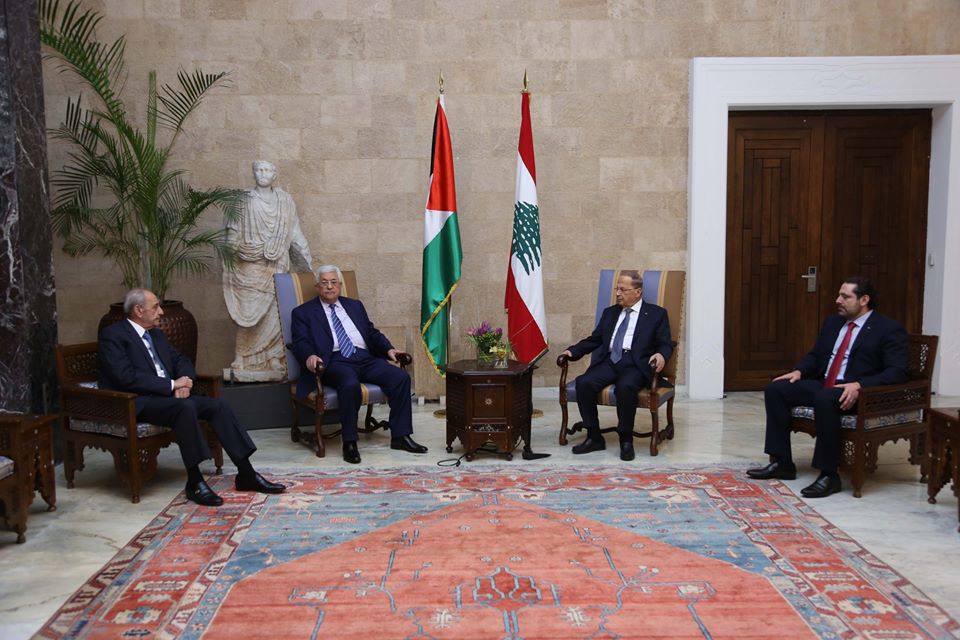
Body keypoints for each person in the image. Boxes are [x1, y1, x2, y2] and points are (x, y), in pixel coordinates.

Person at [99, 288, 285, 506]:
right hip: (136, 401)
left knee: (217, 406)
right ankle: (195, 481)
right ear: (139, 310)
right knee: (185, 408)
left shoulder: (156, 335)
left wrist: (185, 381)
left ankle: (246, 473)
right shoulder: (113, 335)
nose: (161, 312)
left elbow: (181, 360)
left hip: (167, 398)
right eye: (155, 307)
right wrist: (171, 385)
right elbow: (125, 377)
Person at [747, 277, 908, 498]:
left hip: (857, 393)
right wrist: (799, 371)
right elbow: (816, 356)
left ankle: (829, 475)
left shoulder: (887, 329)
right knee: (776, 389)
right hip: (825, 385)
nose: (838, 300)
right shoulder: (833, 323)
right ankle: (782, 463)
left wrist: (860, 385)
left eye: (845, 297)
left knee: (825, 398)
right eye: (839, 295)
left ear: (864, 300)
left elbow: (896, 371)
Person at [290, 265, 428, 464]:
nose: (329, 286)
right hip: (334, 360)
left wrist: (389, 350)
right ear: (317, 286)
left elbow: (371, 332)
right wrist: (309, 356)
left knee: (400, 378)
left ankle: (400, 436)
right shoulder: (303, 312)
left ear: (339, 284)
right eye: (324, 282)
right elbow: (300, 342)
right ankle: (350, 442)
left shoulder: (355, 306)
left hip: (364, 357)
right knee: (349, 384)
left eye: (333, 282)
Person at [560, 270, 673, 461]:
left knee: (625, 387)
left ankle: (626, 440)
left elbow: (665, 343)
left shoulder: (656, 314)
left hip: (636, 364)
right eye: (617, 289)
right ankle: (594, 436)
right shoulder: (610, 312)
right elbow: (595, 339)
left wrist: (661, 354)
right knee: (584, 383)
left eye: (623, 289)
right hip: (610, 361)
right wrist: (572, 351)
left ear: (637, 292)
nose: (618, 293)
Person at [222, 160, 313, 382]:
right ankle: (242, 357)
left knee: (274, 313)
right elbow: (233, 230)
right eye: (259, 170)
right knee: (249, 313)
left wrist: (305, 258)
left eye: (268, 170)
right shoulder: (242, 199)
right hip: (249, 265)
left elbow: (294, 231)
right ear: (254, 173)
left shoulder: (285, 201)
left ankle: (273, 357)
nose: (263, 173)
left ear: (274, 175)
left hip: (276, 263)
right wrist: (230, 251)